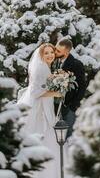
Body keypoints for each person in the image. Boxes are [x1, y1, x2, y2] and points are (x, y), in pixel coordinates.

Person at [17, 43, 65, 178]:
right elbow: (34, 92)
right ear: (41, 55)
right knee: (44, 134)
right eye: (46, 53)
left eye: (52, 52)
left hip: (46, 106)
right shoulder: (41, 69)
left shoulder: (46, 67)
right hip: (40, 110)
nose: (50, 55)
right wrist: (55, 94)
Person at [54, 39, 86, 138]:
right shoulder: (55, 63)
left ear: (67, 52)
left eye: (58, 51)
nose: (55, 52)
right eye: (56, 49)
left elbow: (82, 86)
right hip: (55, 107)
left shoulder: (76, 64)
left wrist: (73, 105)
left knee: (68, 135)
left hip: (69, 107)